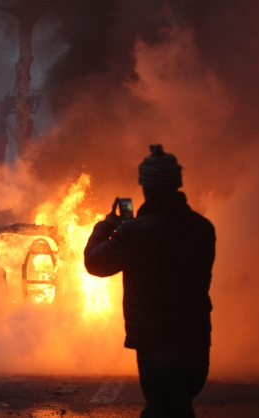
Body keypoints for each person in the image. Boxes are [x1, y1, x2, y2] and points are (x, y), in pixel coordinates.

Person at [84, 144, 216, 418]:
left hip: (157, 349)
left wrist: (107, 225)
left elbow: (95, 263)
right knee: (168, 409)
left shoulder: (136, 233)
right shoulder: (203, 229)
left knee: (166, 408)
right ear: (177, 184)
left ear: (146, 187)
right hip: (196, 347)